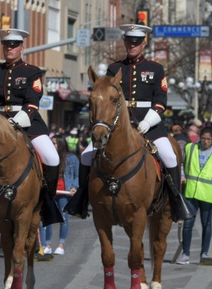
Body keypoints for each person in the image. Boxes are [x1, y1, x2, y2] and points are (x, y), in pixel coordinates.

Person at [65, 24, 192, 222]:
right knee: (86, 155)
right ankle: (82, 198)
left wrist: (148, 122)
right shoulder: (114, 69)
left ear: (144, 43)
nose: (132, 45)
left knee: (169, 156)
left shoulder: (156, 69)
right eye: (129, 41)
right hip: (119, 126)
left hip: (149, 125)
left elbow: (160, 102)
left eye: (136, 42)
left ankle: (176, 202)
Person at [0, 28, 64, 226]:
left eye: (14, 45)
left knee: (52, 157)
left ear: (22, 48)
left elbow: (33, 102)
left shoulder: (32, 72)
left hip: (28, 123)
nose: (9, 48)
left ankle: (46, 204)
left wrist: (15, 121)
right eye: (6, 45)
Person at [176, 127, 212, 265]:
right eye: (203, 138)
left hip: (207, 194)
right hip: (191, 192)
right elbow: (182, 164)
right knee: (188, 224)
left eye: (208, 139)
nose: (205, 142)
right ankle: (185, 254)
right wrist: (182, 176)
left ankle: (204, 253)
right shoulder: (190, 147)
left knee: (206, 224)